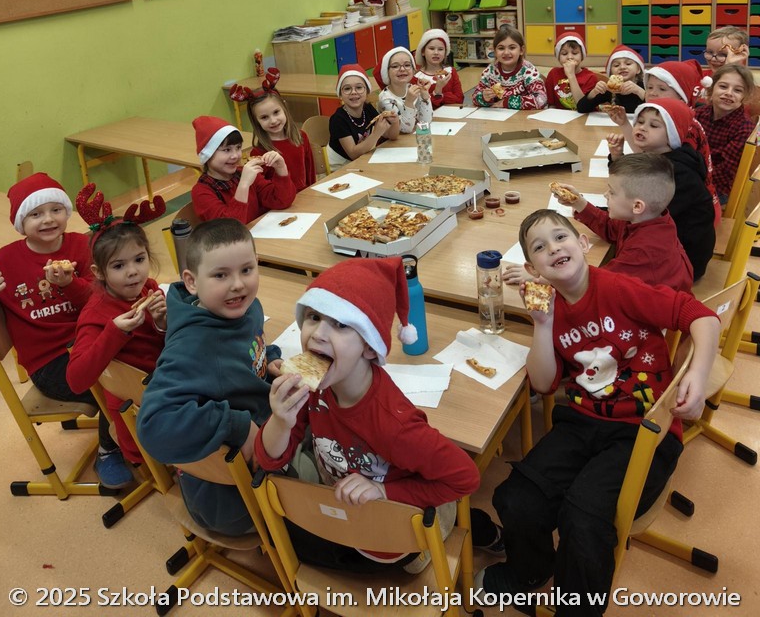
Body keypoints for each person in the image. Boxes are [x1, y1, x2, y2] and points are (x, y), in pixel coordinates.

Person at [474, 208, 719, 617]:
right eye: (540, 247)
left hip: (645, 432)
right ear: (533, 269)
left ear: (583, 243)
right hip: (583, 422)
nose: (554, 248)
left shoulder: (619, 288)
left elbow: (701, 316)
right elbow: (543, 383)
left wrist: (698, 371)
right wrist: (542, 324)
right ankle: (529, 573)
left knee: (583, 517)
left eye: (560, 237)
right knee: (516, 498)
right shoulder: (548, 306)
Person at [254, 257, 480, 570]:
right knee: (275, 526)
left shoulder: (395, 425)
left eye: (340, 324)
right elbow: (268, 459)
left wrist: (383, 490)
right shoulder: (315, 387)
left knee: (281, 539)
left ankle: (436, 548)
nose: (318, 333)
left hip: (391, 532)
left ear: (371, 347)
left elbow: (466, 477)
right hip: (344, 507)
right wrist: (281, 420)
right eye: (313, 316)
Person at [137, 219, 280, 536]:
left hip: (266, 437)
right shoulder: (194, 348)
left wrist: (270, 357)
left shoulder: (243, 307)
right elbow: (152, 425)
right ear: (191, 282)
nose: (238, 285)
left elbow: (248, 344)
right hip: (229, 501)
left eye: (246, 270)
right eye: (220, 275)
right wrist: (238, 427)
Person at [0, 173, 132, 489]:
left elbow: (101, 302)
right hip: (49, 361)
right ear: (20, 222)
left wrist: (70, 284)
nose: (48, 219)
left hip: (92, 339)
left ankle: (142, 433)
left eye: (56, 209)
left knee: (141, 364)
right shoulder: (5, 261)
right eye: (35, 214)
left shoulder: (83, 246)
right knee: (116, 384)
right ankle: (109, 451)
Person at [66, 185, 167, 465]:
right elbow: (76, 381)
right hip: (144, 418)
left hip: (166, 388)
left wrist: (163, 323)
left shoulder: (149, 287)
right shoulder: (96, 315)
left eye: (139, 259)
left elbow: (164, 345)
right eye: (119, 266)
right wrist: (115, 332)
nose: (133, 271)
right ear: (99, 272)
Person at [610, 101, 715, 280]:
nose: (642, 128)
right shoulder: (660, 158)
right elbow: (631, 187)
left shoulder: (677, 172)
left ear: (671, 135)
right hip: (672, 247)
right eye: (640, 121)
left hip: (684, 262)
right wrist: (617, 157)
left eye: (654, 125)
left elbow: (642, 212)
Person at [557, 153, 693, 292]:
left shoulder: (641, 252)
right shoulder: (646, 218)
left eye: (612, 192)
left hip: (654, 304)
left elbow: (597, 284)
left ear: (637, 206)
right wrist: (579, 203)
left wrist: (558, 271)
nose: (605, 195)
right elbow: (611, 228)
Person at [191, 115, 296, 224]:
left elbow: (282, 201)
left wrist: (281, 169)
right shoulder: (201, 192)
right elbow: (230, 228)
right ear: (208, 154)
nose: (235, 155)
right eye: (227, 150)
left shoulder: (242, 173)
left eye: (238, 148)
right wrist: (244, 185)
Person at [694, 63, 756, 204]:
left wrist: (692, 179)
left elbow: (725, 171)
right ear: (711, 88)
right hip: (691, 175)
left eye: (738, 90)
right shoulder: (699, 114)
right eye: (723, 86)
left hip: (718, 189)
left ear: (745, 96)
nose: (729, 93)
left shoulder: (744, 128)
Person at [244, 71, 316, 191]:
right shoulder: (258, 152)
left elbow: (310, 174)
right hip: (280, 202)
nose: (273, 121)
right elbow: (261, 190)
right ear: (256, 121)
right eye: (264, 117)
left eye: (276, 112)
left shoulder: (301, 137)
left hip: (306, 197)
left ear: (284, 108)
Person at [327, 64, 398, 168]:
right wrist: (376, 133)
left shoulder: (367, 109)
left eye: (359, 87)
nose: (353, 92)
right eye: (347, 89)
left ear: (367, 91)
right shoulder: (338, 119)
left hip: (360, 161)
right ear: (340, 94)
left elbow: (391, 136)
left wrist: (395, 122)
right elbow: (353, 154)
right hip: (339, 166)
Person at [471, 25, 548, 110]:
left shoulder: (528, 70)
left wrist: (506, 103)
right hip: (498, 116)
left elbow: (541, 99)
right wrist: (483, 97)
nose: (506, 52)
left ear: (521, 50)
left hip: (524, 116)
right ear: (495, 52)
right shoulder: (490, 71)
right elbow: (474, 97)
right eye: (501, 48)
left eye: (512, 48)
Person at [375, 47, 433, 132]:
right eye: (395, 66)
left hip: (412, 137)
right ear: (386, 72)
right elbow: (405, 129)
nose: (402, 69)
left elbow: (425, 121)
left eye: (407, 65)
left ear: (413, 70)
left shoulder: (411, 88)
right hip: (395, 140)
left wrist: (424, 95)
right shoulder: (385, 99)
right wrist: (409, 102)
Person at [577, 45, 645, 113]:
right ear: (611, 73)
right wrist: (594, 92)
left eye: (628, 63)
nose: (622, 67)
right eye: (616, 65)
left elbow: (651, 108)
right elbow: (581, 108)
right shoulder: (610, 90)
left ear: (638, 69)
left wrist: (639, 91)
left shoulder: (646, 86)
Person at [544, 34, 599, 110]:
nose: (569, 57)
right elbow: (551, 105)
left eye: (575, 53)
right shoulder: (553, 74)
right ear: (558, 57)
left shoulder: (590, 77)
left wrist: (571, 75)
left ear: (582, 56)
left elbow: (583, 106)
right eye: (564, 53)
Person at [413, 28, 464, 107]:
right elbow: (422, 106)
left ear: (445, 53)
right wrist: (438, 90)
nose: (436, 52)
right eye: (431, 48)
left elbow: (459, 99)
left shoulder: (451, 72)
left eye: (440, 49)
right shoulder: (417, 78)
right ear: (423, 51)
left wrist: (441, 96)